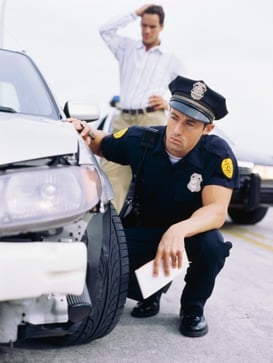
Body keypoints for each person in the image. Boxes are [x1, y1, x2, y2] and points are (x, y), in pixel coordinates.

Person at [67, 75, 240, 338]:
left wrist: (178, 231)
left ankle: (193, 309)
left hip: (187, 235)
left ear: (207, 129)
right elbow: (101, 143)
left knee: (213, 246)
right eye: (174, 117)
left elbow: (216, 211)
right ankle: (152, 292)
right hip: (145, 230)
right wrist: (82, 129)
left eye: (190, 123)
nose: (177, 130)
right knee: (107, 254)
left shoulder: (216, 154)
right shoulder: (144, 140)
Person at [99, 4, 184, 212]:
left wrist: (168, 102)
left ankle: (150, 227)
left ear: (161, 27)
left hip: (151, 120)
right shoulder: (127, 48)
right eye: (143, 25)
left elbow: (185, 91)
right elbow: (104, 30)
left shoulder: (171, 59)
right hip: (123, 120)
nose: (147, 30)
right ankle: (111, 226)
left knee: (153, 174)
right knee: (112, 171)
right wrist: (133, 13)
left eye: (152, 27)